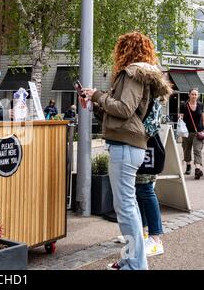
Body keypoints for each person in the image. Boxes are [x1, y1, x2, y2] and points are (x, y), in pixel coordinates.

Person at [81, 31, 172, 270]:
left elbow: (124, 109)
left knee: (126, 209)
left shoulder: (132, 74)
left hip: (126, 146)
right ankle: (133, 260)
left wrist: (98, 95)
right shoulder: (141, 74)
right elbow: (123, 114)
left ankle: (135, 264)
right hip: (130, 145)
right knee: (127, 207)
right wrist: (95, 102)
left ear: (125, 50)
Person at [135, 174, 165, 257]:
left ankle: (155, 241)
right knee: (138, 192)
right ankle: (143, 233)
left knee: (145, 189)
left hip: (146, 165)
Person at [178, 88, 204, 179]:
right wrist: (180, 118)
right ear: (189, 95)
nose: (194, 96)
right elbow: (180, 118)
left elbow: (202, 117)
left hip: (198, 132)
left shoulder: (200, 105)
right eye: (192, 94)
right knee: (186, 149)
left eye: (195, 94)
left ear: (198, 96)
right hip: (186, 132)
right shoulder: (184, 105)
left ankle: (197, 169)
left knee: (197, 150)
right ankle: (188, 166)